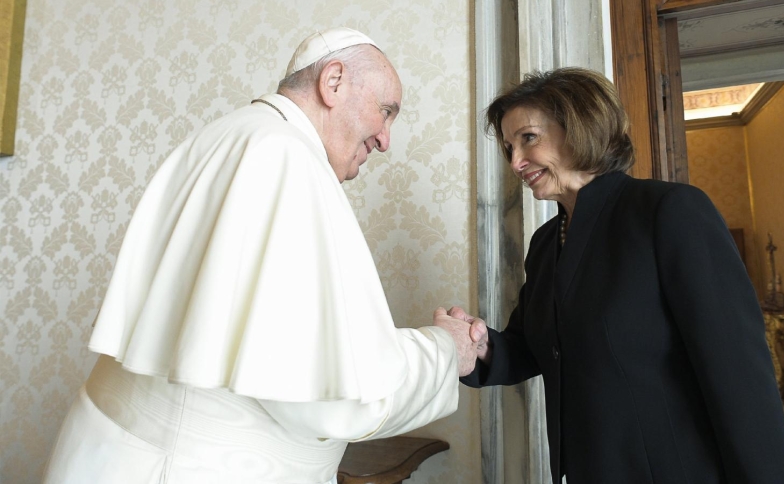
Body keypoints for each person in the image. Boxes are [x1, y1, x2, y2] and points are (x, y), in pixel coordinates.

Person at [43, 27, 478, 484]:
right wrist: (448, 349)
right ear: (333, 82)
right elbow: (337, 399)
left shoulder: (225, 135)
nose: (386, 139)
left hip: (116, 451)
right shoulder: (286, 157)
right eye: (385, 112)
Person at [456, 67, 784, 483]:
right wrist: (479, 344)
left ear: (581, 126)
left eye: (528, 138)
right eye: (508, 147)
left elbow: (740, 377)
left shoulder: (671, 212)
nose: (515, 162)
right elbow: (535, 347)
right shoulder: (545, 243)